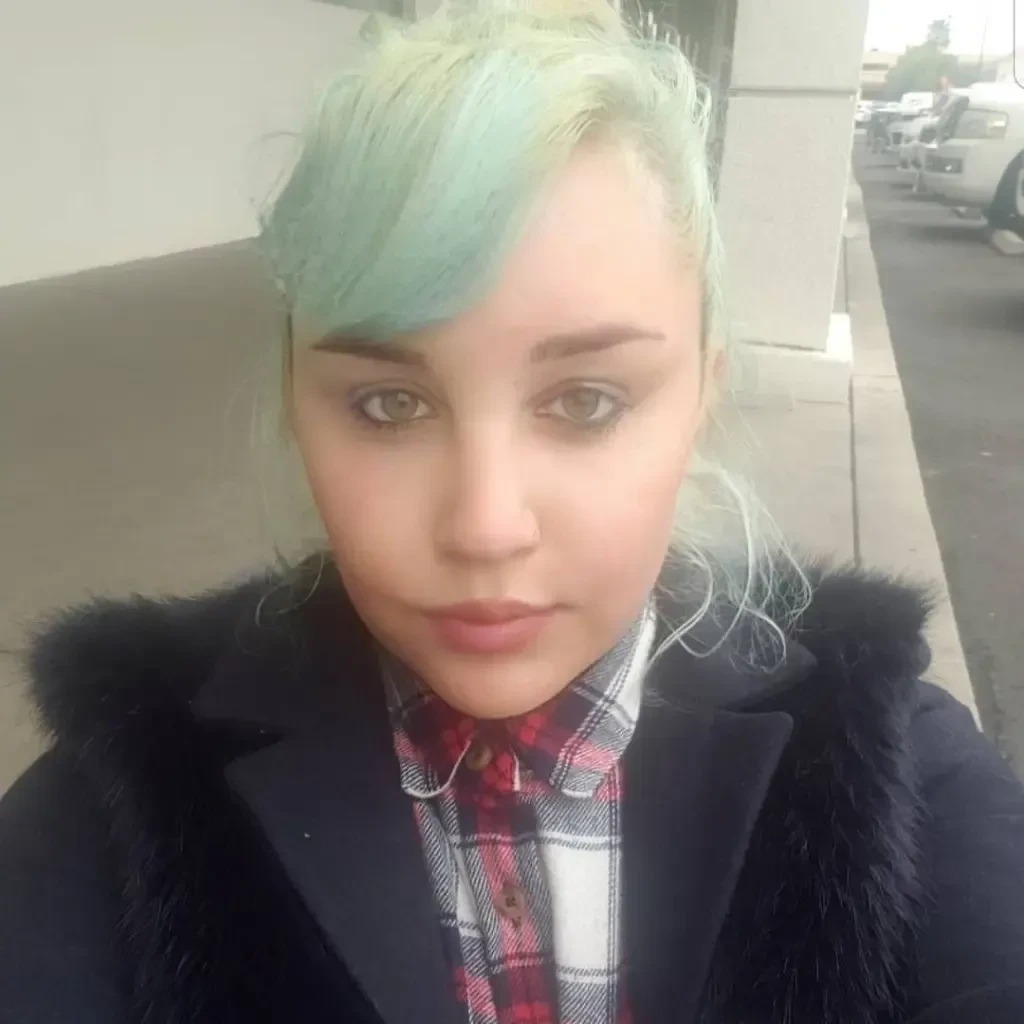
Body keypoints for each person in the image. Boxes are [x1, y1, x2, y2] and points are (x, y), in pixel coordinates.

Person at [3, 4, 1024, 1023]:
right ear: (296, 400)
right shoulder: (133, 781)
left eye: (586, 402)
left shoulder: (882, 756)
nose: (485, 527)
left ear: (701, 394)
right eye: (389, 404)